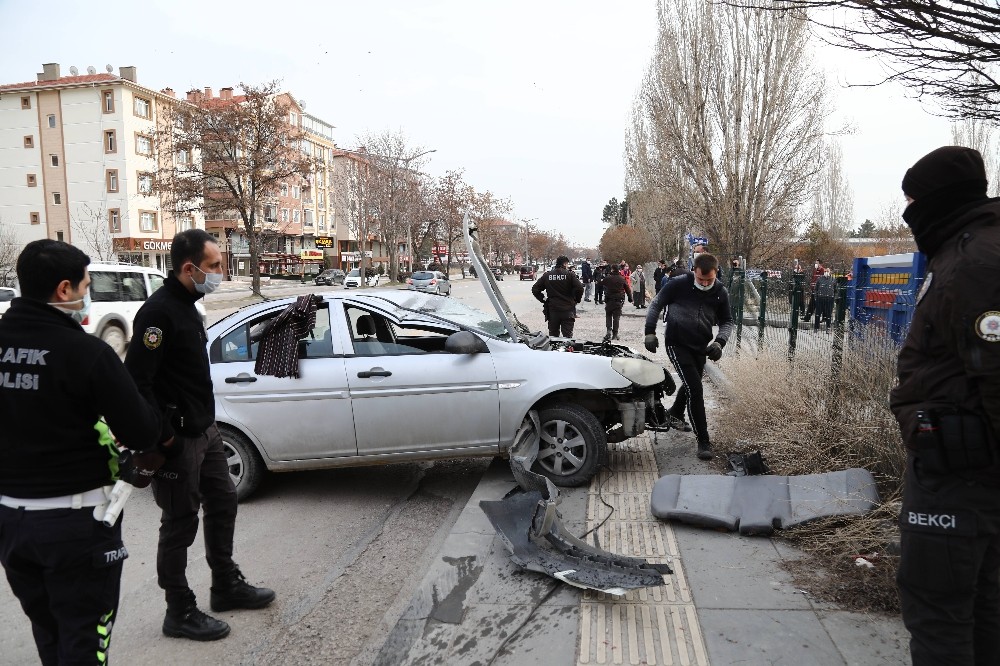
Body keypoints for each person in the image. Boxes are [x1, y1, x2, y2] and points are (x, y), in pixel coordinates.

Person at [0, 240, 163, 665]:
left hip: (10, 521)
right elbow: (142, 430)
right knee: (84, 639)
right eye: (87, 285)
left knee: (48, 628)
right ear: (65, 289)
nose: (88, 294)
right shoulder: (85, 352)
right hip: (75, 524)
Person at [125, 229, 275, 642]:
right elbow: (139, 381)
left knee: (224, 502)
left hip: (205, 432)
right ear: (189, 268)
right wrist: (164, 441)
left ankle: (225, 585)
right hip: (178, 440)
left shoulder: (190, 305)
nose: (219, 273)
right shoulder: (158, 313)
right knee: (179, 523)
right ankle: (179, 609)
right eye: (213, 267)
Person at [889, 146, 1000, 665]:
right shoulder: (968, 249)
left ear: (937, 202)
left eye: (912, 201)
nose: (908, 212)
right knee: (980, 609)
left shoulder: (975, 263)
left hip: (960, 474)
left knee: (941, 614)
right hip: (962, 470)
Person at [644, 253, 733, 460]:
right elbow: (656, 304)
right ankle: (703, 440)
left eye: (709, 280)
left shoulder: (720, 292)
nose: (704, 283)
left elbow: (727, 321)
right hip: (677, 343)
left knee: (691, 382)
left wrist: (720, 342)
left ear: (715, 274)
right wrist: (650, 331)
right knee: (695, 388)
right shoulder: (677, 285)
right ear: (694, 271)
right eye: (701, 279)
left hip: (700, 346)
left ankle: (675, 412)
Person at [531, 254, 584, 338]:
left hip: (553, 309)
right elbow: (580, 288)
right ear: (565, 264)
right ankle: (566, 350)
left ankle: (554, 350)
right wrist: (576, 300)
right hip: (567, 309)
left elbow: (535, 289)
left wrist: (544, 299)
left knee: (553, 337)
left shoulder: (547, 275)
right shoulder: (570, 275)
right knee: (567, 336)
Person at [602, 263, 632, 340]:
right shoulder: (622, 278)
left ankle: (609, 330)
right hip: (619, 300)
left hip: (609, 300)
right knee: (616, 317)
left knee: (608, 315)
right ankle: (615, 334)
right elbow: (627, 289)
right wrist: (630, 298)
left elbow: (600, 283)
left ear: (612, 269)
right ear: (619, 270)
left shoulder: (608, 278)